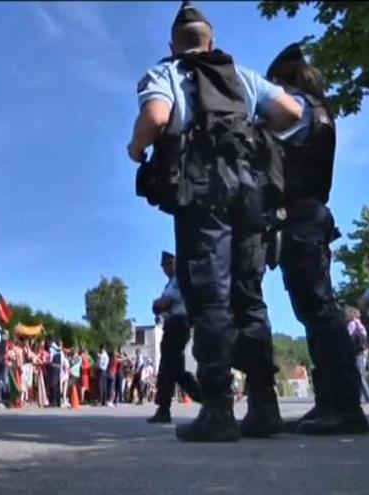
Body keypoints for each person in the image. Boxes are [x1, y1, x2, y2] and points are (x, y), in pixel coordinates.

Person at [128, 2, 303, 441]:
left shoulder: (166, 73)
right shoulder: (239, 74)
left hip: (202, 190)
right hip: (250, 189)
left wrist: (136, 149)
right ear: (212, 40)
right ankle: (264, 405)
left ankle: (219, 411)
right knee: (249, 293)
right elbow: (292, 113)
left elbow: (156, 117)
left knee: (209, 295)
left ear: (173, 45)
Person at [266, 43, 369, 435]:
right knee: (313, 309)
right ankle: (329, 402)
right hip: (309, 215)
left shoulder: (301, 109)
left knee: (319, 309)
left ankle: (344, 405)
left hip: (303, 216)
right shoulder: (318, 110)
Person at [148, 251, 203, 423]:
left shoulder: (179, 281)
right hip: (171, 325)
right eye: (165, 265)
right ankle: (206, 398)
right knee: (176, 371)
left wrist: (158, 304)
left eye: (170, 263)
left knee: (166, 368)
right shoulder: (169, 284)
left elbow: (167, 303)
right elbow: (159, 306)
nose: (167, 267)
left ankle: (164, 410)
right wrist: (158, 305)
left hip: (178, 324)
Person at [346, 307, 369, 404]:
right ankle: (361, 397)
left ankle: (366, 396)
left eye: (347, 314)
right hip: (364, 352)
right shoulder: (360, 324)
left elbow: (347, 336)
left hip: (358, 352)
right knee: (359, 374)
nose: (345, 316)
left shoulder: (352, 324)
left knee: (359, 375)